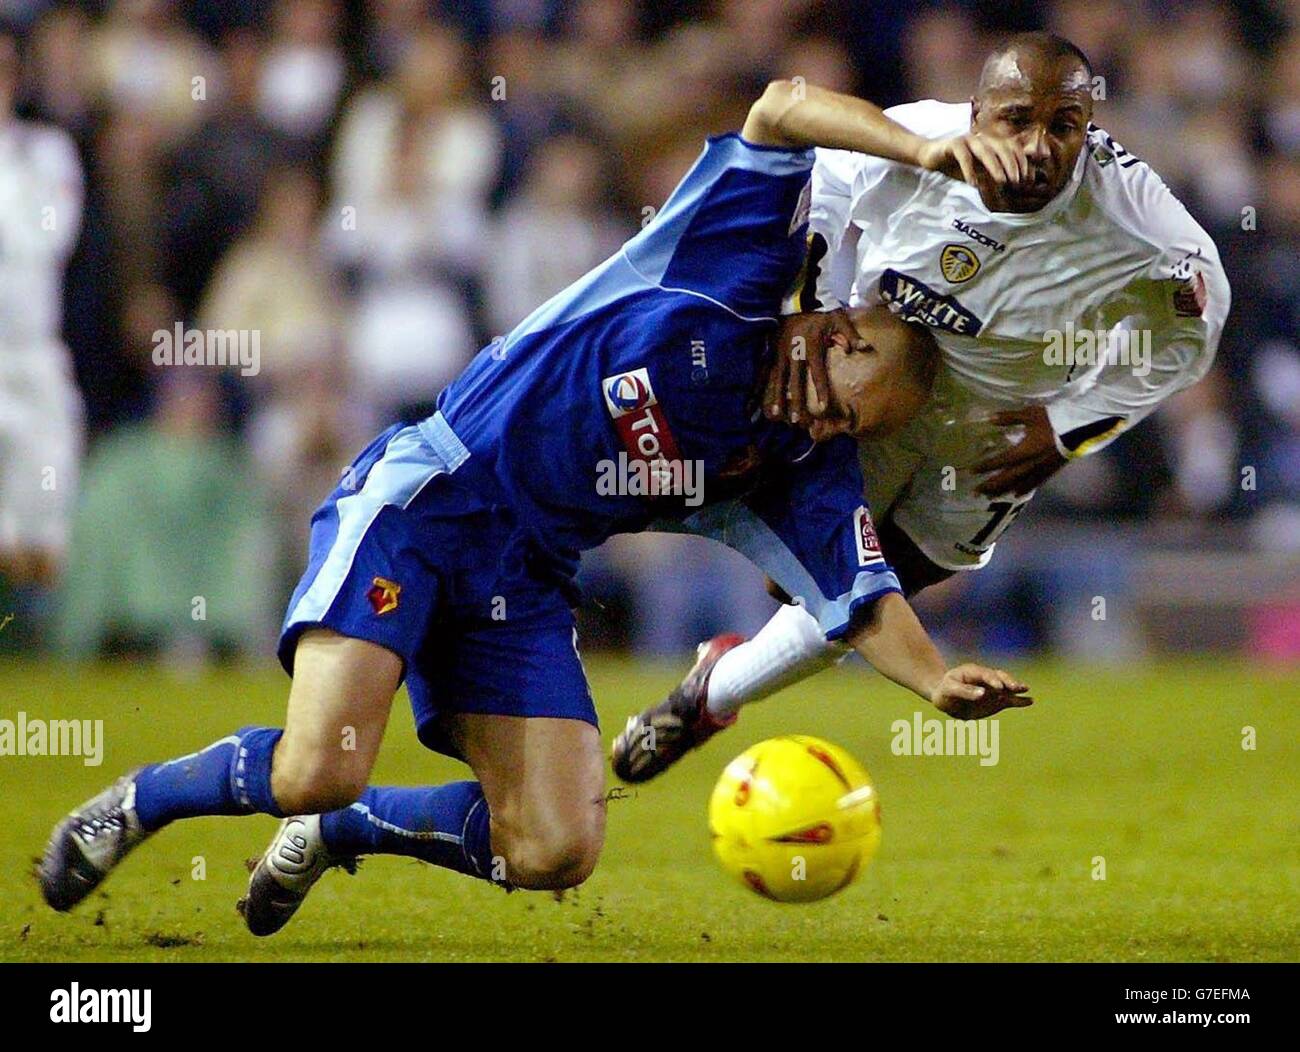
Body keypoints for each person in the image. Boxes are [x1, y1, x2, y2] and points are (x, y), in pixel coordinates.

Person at [39, 95, 1030, 934]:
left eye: (848, 423)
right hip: (427, 500)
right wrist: (924, 146)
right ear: (837, 320)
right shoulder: (731, 272)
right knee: (313, 768)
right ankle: (145, 799)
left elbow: (860, 596)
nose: (824, 409)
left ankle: (349, 830)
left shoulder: (796, 469)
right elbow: (780, 106)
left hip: (522, 577)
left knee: (554, 847)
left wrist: (936, 680)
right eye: (842, 377)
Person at [614, 32, 1230, 783]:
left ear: (1088, 129)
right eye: (1015, 120)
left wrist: (1072, 425)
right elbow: (826, 174)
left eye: (1063, 126)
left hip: (993, 428)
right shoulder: (925, 139)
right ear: (976, 113)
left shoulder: (1137, 221)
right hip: (871, 382)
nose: (1037, 147)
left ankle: (711, 693)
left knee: (882, 585)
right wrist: (808, 302)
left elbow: (1193, 331)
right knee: (813, 577)